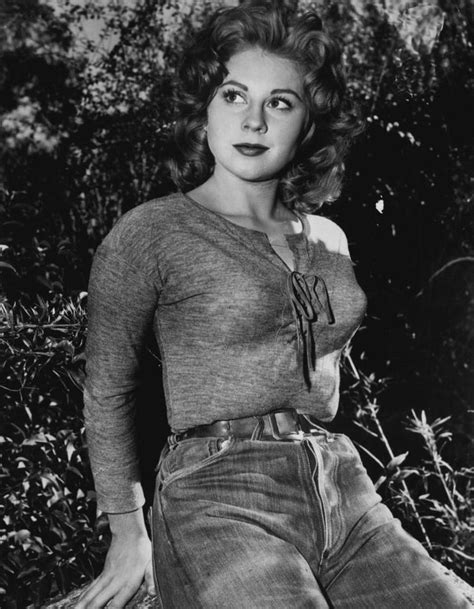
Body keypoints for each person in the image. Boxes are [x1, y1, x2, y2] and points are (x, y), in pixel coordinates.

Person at [77, 3, 470, 608]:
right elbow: (107, 386)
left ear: (308, 124)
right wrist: (128, 531)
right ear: (204, 109)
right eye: (234, 95)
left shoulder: (330, 237)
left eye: (280, 103)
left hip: (341, 483)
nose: (254, 120)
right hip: (216, 489)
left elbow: (320, 369)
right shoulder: (151, 232)